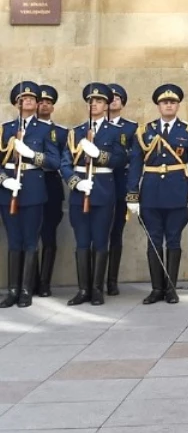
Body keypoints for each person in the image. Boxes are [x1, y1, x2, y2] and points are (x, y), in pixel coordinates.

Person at [126, 84, 188, 305]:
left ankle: (171, 288)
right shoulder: (144, 131)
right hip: (150, 193)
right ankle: (156, 288)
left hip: (178, 193)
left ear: (178, 105)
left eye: (172, 102)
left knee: (173, 240)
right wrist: (132, 194)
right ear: (158, 106)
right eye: (164, 102)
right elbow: (135, 165)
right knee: (153, 241)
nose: (168, 105)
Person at [62, 84, 129, 306]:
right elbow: (65, 163)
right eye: (91, 101)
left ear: (106, 105)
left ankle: (97, 289)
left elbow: (120, 160)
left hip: (103, 189)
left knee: (100, 240)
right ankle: (83, 290)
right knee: (82, 241)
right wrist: (76, 183)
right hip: (81, 190)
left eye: (99, 101)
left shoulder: (115, 132)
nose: (94, 104)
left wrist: (99, 155)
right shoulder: (76, 132)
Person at [2, 81, 61, 307]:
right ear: (16, 103)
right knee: (14, 241)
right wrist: (4, 180)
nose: (26, 101)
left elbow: (54, 161)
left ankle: (26, 291)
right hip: (9, 191)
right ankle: (13, 290)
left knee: (30, 241)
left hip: (34, 190)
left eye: (31, 98)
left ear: (37, 103)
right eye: (22, 98)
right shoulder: (5, 129)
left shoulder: (46, 130)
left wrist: (31, 154)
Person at [33, 84, 67, 297]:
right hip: (29, 183)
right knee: (29, 234)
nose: (44, 105)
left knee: (48, 234)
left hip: (51, 183)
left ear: (53, 107)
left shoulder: (62, 132)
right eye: (41, 101)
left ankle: (44, 282)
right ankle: (30, 280)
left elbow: (64, 160)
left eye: (48, 102)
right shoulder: (24, 129)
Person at [106, 84, 138, 295]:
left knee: (116, 233)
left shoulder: (131, 128)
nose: (114, 100)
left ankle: (112, 280)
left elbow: (134, 157)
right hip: (98, 185)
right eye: (110, 98)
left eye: (118, 97)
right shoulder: (92, 127)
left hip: (119, 185)